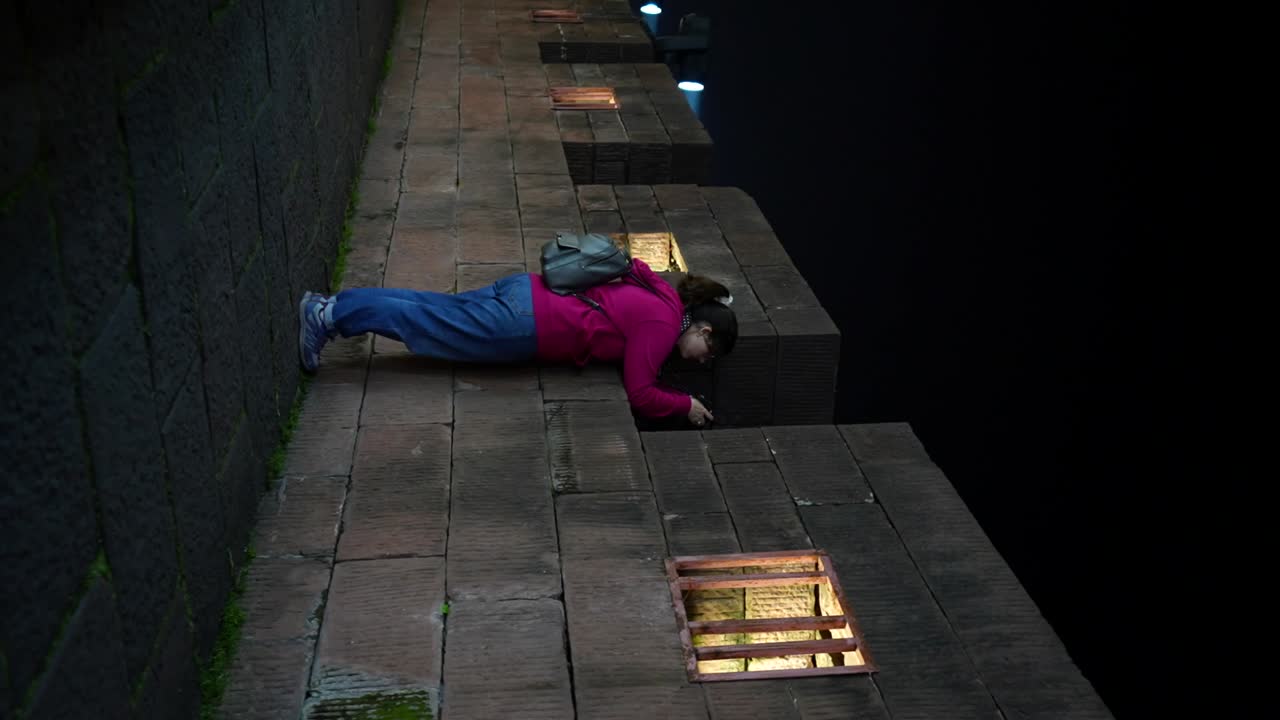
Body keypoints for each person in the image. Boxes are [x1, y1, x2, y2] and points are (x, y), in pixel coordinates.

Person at [298, 259, 737, 426]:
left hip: (528, 290)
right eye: (708, 354)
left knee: (429, 308)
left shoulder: (663, 292)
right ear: (704, 331)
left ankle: (335, 307)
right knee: (429, 322)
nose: (701, 362)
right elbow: (641, 393)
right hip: (529, 323)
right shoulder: (663, 325)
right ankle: (327, 316)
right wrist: (686, 406)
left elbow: (631, 266)